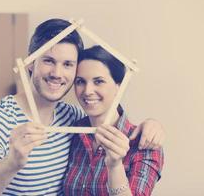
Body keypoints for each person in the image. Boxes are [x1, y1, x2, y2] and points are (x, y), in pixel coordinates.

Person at [0, 19, 164, 196]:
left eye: (67, 64)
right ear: (30, 64)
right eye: (48, 60)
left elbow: (109, 116)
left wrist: (152, 124)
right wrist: (12, 163)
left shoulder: (72, 119)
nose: (57, 73)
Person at [63, 45, 164, 196]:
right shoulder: (71, 130)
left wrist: (115, 166)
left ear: (119, 86)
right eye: (80, 81)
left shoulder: (144, 144)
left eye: (98, 81)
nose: (87, 91)